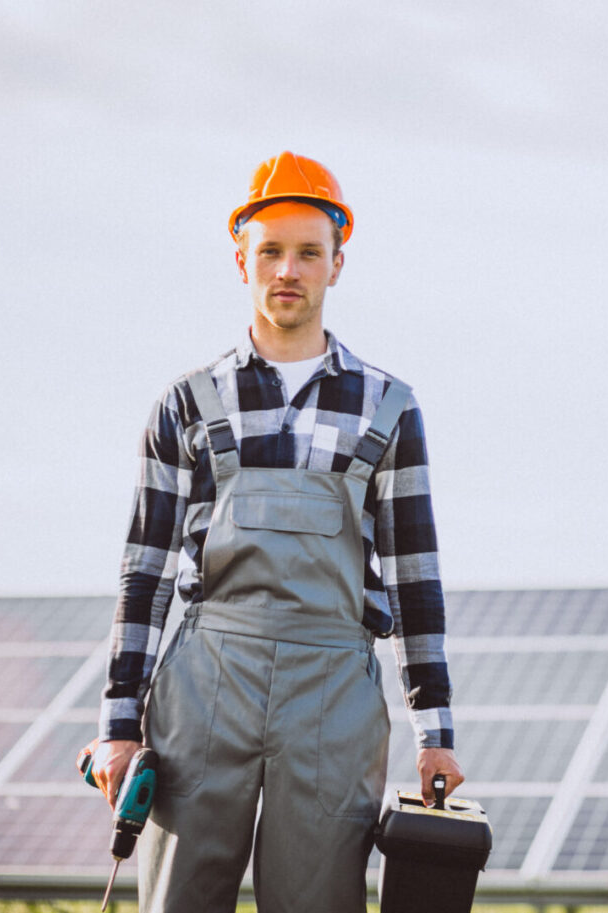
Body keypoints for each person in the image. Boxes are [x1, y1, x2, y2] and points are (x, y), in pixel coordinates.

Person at [82, 151, 463, 912]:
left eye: (308, 252)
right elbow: (145, 572)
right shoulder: (184, 405)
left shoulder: (389, 407)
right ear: (241, 260)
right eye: (271, 251)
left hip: (333, 690)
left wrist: (436, 731)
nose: (288, 269)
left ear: (337, 264)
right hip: (206, 680)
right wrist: (119, 720)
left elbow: (414, 575)